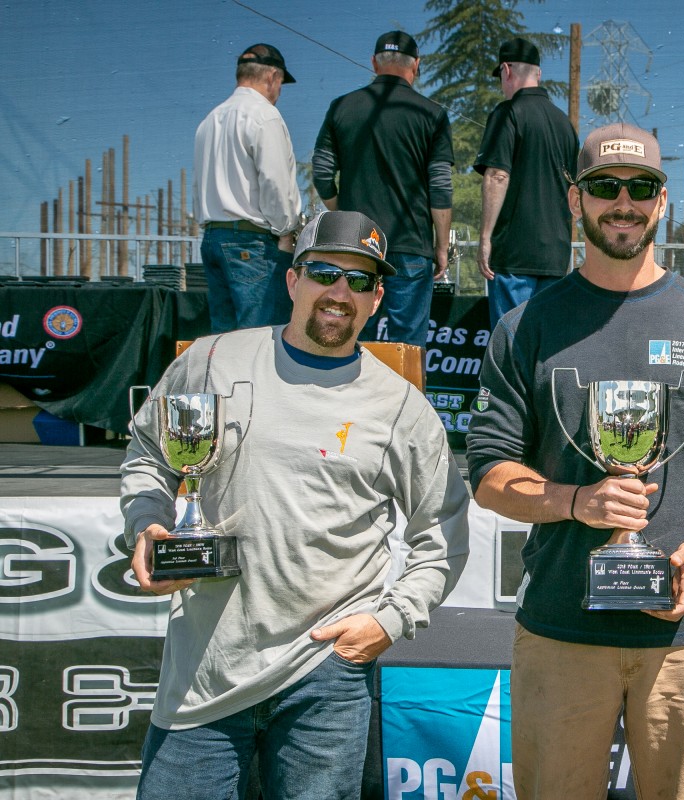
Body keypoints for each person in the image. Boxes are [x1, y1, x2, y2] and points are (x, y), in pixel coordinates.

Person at [466, 123, 684, 799]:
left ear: (663, 202)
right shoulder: (526, 326)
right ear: (575, 198)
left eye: (642, 188)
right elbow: (490, 471)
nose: (624, 202)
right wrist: (576, 502)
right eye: (605, 187)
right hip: (562, 631)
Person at [121, 210, 471, 800]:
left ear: (377, 298)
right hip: (206, 672)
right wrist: (149, 521)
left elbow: (442, 535)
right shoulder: (212, 361)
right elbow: (149, 454)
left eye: (359, 281)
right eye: (324, 272)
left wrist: (389, 620)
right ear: (292, 279)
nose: (339, 292)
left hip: (325, 678)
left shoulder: (402, 408)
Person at [312, 30, 454, 348]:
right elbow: (441, 186)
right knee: (408, 347)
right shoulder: (432, 114)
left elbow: (321, 173)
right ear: (416, 65)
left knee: (351, 337)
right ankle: (407, 399)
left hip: (357, 245)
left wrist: (344, 216)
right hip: (411, 246)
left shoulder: (341, 108)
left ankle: (346, 398)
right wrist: (441, 246)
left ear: (375, 63)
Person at [194, 43, 303, 333]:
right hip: (252, 243)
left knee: (224, 337)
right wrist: (285, 230)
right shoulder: (264, 116)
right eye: (280, 84)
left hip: (213, 236)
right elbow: (275, 182)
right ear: (272, 77)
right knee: (260, 338)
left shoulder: (210, 120)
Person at [473, 37, 579, 330]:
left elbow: (497, 175)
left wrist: (485, 238)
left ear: (506, 70)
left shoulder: (507, 113)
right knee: (546, 347)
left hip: (513, 257)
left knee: (511, 348)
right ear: (539, 74)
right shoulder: (564, 125)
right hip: (556, 256)